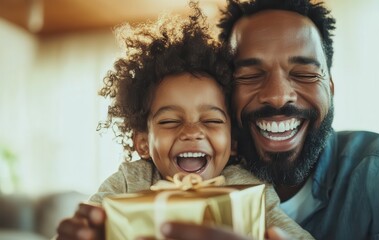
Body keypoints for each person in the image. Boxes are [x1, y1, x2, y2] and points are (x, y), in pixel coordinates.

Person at [154, 0, 379, 239]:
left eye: (304, 74)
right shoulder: (176, 176)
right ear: (224, 94)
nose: (277, 96)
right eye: (250, 75)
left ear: (330, 88)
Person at [55, 3, 314, 240]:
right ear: (144, 143)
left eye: (211, 120)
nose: (192, 132)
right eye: (169, 121)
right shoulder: (127, 182)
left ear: (233, 142)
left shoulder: (249, 188)